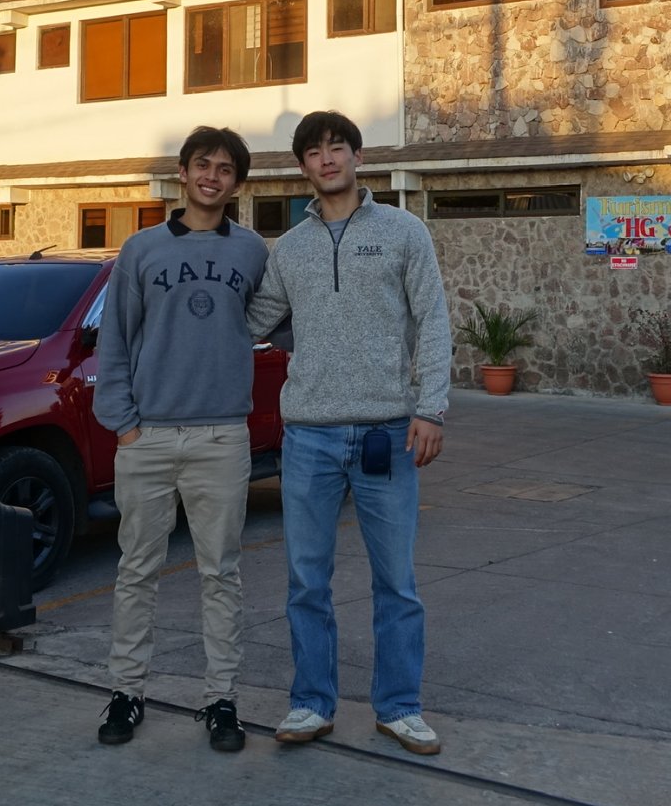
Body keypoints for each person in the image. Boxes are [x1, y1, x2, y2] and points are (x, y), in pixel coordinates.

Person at [248, 110, 451, 756]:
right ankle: (312, 701)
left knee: (397, 580)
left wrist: (432, 407)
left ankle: (399, 706)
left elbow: (435, 320)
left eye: (338, 147)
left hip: (387, 432)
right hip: (307, 437)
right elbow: (253, 317)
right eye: (314, 151)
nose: (327, 159)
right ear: (303, 167)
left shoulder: (402, 231)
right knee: (307, 580)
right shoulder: (292, 249)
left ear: (358, 156)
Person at [92, 125, 268, 753]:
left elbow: (283, 321)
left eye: (225, 168)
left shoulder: (252, 251)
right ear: (184, 172)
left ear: (236, 183)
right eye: (203, 165)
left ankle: (221, 699)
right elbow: (114, 339)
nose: (212, 176)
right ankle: (127, 692)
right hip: (149, 438)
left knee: (220, 571)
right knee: (137, 568)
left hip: (223, 437)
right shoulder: (141, 250)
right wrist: (126, 425)